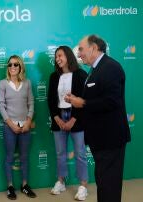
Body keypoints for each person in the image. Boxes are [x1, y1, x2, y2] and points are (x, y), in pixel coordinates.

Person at [66, 35, 131, 202]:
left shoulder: (111, 67)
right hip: (100, 139)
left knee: (109, 184)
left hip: (110, 138)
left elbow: (112, 101)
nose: (78, 54)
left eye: (81, 49)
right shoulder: (95, 69)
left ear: (93, 48)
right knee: (103, 182)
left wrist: (83, 103)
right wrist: (78, 101)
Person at [47, 46, 89, 201]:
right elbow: (51, 100)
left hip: (75, 118)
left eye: (60, 55)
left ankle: (83, 185)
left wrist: (73, 119)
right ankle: (61, 181)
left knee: (80, 153)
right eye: (56, 56)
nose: (58, 58)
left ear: (69, 56)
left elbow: (83, 100)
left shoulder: (80, 74)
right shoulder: (53, 76)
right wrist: (57, 118)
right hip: (59, 117)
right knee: (60, 153)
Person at [0, 55, 36, 200]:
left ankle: (25, 185)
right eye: (10, 65)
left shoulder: (27, 83)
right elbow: (0, 105)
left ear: (20, 67)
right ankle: (10, 187)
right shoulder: (3, 83)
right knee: (9, 157)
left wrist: (28, 121)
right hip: (10, 126)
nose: (12, 67)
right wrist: (11, 124)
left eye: (16, 64)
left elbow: (31, 103)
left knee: (25, 157)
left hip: (25, 126)